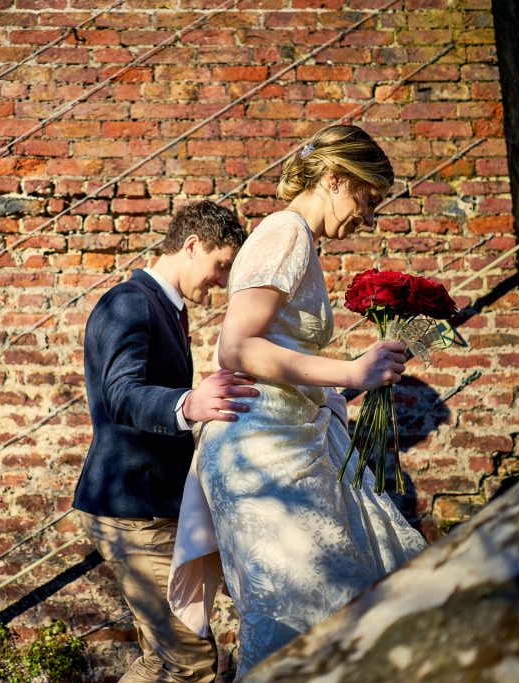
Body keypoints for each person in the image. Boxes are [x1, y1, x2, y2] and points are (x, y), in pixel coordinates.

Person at [168, 125, 427, 678]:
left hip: (292, 441)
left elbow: (279, 349)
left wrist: (336, 385)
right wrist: (353, 369)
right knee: (302, 610)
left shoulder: (299, 240)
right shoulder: (286, 230)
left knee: (336, 601)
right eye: (367, 198)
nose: (370, 217)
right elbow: (236, 346)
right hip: (262, 451)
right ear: (335, 179)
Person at [72, 200, 256, 683]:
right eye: (221, 266)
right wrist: (189, 404)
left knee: (161, 660)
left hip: (150, 508)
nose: (221, 281)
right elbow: (120, 393)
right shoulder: (130, 301)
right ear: (192, 245)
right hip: (132, 510)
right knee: (192, 661)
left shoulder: (166, 309)